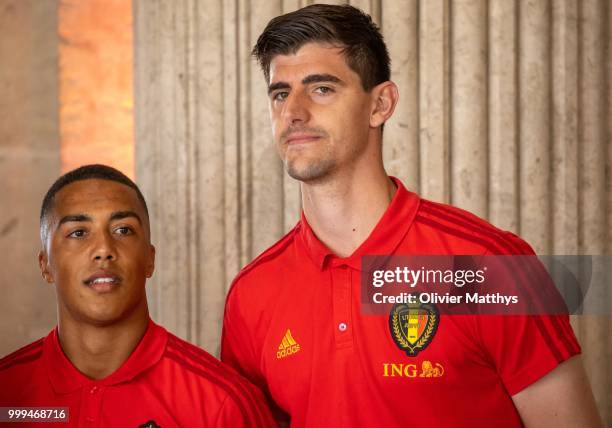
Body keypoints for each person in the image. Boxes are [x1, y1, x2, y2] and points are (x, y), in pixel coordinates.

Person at [220, 4, 601, 427]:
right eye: (280, 93)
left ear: (380, 104)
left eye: (321, 88)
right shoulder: (251, 294)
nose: (293, 111)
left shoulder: (492, 265)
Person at [0, 164, 275, 427]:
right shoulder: (8, 393)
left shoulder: (222, 403)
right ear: (45, 264)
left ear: (150, 259)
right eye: (79, 232)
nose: (104, 249)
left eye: (123, 230)